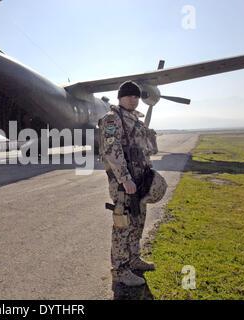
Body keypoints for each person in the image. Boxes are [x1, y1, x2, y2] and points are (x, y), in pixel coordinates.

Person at [98, 81, 166, 286]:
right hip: (124, 184)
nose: (133, 100)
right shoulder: (112, 119)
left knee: (138, 221)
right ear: (120, 98)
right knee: (123, 225)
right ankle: (119, 270)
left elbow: (148, 150)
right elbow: (111, 150)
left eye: (136, 96)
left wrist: (150, 137)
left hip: (140, 180)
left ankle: (133, 259)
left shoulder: (136, 120)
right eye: (128, 96)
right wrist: (125, 178)